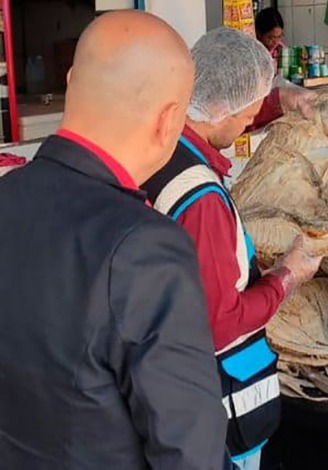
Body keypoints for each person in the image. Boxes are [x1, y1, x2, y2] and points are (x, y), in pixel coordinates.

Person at [0, 11, 232, 469]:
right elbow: (191, 453)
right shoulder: (145, 248)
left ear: (70, 82)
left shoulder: (6, 195)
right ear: (169, 122)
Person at [142, 27, 323, 470]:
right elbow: (221, 324)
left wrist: (283, 102)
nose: (250, 122)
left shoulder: (157, 145)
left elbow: (228, 112)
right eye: (248, 113)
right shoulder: (201, 200)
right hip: (221, 417)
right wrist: (288, 277)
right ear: (223, 106)